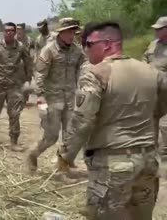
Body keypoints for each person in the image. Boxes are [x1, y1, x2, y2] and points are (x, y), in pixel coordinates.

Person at [57, 21, 165, 219]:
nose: (85, 50)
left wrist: (65, 155)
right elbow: (160, 107)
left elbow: (83, 120)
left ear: (106, 44)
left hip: (113, 166)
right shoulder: (152, 72)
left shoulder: (96, 75)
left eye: (88, 44)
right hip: (148, 162)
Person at [27, 18, 85, 172]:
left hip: (70, 99)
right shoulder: (49, 50)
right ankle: (33, 154)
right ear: (61, 32)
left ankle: (62, 167)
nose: (72, 34)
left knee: (69, 136)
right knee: (51, 137)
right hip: (52, 99)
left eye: (74, 31)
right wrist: (40, 98)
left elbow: (83, 70)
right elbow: (39, 75)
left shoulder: (77, 51)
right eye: (69, 31)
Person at [0, 22, 33, 150]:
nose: (9, 33)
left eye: (11, 31)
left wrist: (27, 79)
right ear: (3, 32)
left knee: (15, 113)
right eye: (7, 30)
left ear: (15, 33)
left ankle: (14, 142)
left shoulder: (20, 47)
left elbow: (28, 63)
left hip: (14, 84)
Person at [143, 16, 167, 158]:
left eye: (159, 29)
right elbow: (145, 57)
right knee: (151, 118)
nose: (156, 31)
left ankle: (165, 149)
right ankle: (152, 148)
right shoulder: (153, 44)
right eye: (155, 29)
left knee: (165, 121)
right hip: (151, 87)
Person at [15, 23, 35, 103]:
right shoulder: (13, 39)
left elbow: (33, 51)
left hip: (26, 64)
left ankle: (25, 97)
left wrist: (32, 61)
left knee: (27, 81)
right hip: (16, 65)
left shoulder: (29, 40)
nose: (18, 31)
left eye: (20, 29)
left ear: (24, 30)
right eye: (17, 29)